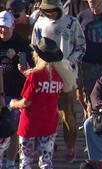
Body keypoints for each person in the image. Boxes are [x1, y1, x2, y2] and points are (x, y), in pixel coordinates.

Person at [31, 0, 86, 162]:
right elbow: (34, 45)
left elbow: (82, 46)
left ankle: (70, 145)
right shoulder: (39, 23)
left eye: (52, 10)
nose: (49, 13)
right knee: (46, 111)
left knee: (67, 112)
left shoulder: (72, 22)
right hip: (45, 73)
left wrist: (70, 61)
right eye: (46, 10)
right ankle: (49, 143)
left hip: (67, 74)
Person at [9, 37, 76, 169]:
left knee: (26, 161)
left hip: (30, 123)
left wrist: (13, 104)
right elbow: (43, 86)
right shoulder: (61, 75)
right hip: (49, 122)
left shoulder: (35, 76)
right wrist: (27, 73)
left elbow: (26, 102)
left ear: (38, 55)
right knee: (46, 161)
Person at [0, 10, 34, 169]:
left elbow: (29, 71)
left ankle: (11, 163)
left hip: (15, 93)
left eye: (5, 27)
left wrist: (15, 58)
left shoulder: (21, 43)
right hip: (0, 92)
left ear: (12, 26)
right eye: (0, 27)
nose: (2, 30)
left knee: (14, 130)